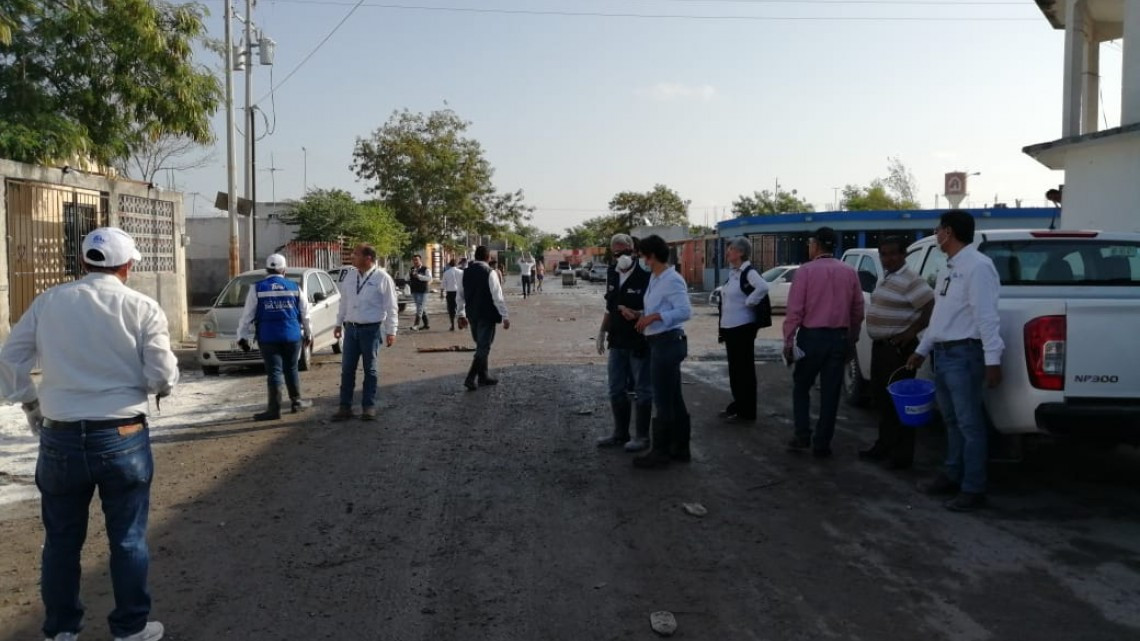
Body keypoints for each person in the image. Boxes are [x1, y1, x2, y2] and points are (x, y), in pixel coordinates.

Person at [0, 226, 177, 641]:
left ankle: (61, 630)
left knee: (61, 541)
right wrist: (158, 387)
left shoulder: (48, 303)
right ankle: (131, 628)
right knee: (128, 539)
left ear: (83, 262)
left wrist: (30, 402)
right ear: (128, 265)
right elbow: (162, 374)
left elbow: (9, 358)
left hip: (60, 437)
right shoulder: (142, 307)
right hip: (123, 433)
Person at [907, 210, 1003, 512]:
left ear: (948, 232)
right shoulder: (950, 268)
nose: (936, 235)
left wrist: (992, 360)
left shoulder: (978, 267)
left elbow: (986, 317)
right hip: (945, 355)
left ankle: (973, 488)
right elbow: (940, 316)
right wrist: (922, 348)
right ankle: (952, 473)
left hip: (966, 355)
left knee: (969, 424)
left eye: (938, 230)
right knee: (951, 421)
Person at [782, 227, 864, 458]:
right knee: (830, 393)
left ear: (816, 245)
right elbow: (857, 309)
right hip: (838, 338)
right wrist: (852, 337)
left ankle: (802, 434)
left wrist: (788, 341)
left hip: (811, 338)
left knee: (801, 387)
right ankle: (822, 443)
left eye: (810, 243)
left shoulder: (805, 272)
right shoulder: (849, 272)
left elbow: (795, 311)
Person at [859, 236, 934, 470]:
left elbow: (930, 307)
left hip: (898, 349)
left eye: (893, 254)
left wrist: (911, 332)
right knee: (882, 400)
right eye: (884, 254)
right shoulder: (887, 278)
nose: (888, 258)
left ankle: (902, 456)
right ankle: (884, 446)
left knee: (898, 402)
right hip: (882, 347)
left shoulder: (912, 280)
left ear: (903, 255)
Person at [628, 235, 692, 469]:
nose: (640, 259)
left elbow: (684, 311)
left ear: (651, 255)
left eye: (642, 254)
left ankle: (661, 451)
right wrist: (639, 315)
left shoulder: (672, 279)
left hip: (668, 342)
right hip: (659, 342)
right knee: (674, 398)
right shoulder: (656, 279)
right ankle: (680, 447)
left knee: (664, 400)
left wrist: (654, 317)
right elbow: (655, 308)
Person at [236, 253, 314, 421]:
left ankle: (274, 409)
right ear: (284, 270)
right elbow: (305, 314)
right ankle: (296, 402)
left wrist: (241, 336)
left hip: (268, 337)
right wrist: (308, 333)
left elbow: (247, 315)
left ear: (267, 270)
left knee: (274, 372)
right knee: (291, 369)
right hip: (292, 336)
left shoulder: (257, 288)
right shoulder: (294, 287)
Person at [595, 234, 653, 452]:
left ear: (634, 250)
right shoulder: (612, 273)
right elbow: (610, 306)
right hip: (617, 340)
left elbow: (657, 304)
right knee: (615, 388)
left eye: (626, 252)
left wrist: (640, 314)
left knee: (643, 389)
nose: (622, 256)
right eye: (617, 253)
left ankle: (642, 437)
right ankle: (620, 434)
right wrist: (602, 331)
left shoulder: (646, 273)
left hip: (640, 339)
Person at [333, 244, 400, 421]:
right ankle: (344, 407)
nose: (352, 258)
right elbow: (344, 302)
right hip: (351, 328)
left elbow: (391, 307)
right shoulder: (350, 276)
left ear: (368, 258)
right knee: (347, 369)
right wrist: (338, 323)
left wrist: (391, 331)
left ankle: (368, 406)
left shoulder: (382, 278)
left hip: (372, 329)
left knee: (370, 369)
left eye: (356, 255)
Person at [718, 236, 771, 424]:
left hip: (742, 328)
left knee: (744, 371)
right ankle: (738, 406)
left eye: (731, 249)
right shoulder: (734, 272)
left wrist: (750, 301)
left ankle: (747, 411)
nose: (727, 252)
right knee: (735, 370)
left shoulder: (748, 271)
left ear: (740, 252)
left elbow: (764, 286)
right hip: (731, 328)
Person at [457, 246, 511, 391]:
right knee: (484, 346)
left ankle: (483, 376)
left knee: (481, 344)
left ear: (475, 256)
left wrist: (461, 314)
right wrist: (505, 316)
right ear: (488, 258)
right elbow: (497, 297)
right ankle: (470, 377)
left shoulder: (465, 273)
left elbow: (460, 296)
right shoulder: (490, 272)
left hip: (472, 314)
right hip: (487, 314)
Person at [408, 254, 432, 330]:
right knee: (421, 307)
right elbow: (407, 278)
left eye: (416, 260)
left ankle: (416, 325)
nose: (415, 262)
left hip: (423, 291)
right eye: (414, 260)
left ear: (420, 260)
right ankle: (426, 324)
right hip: (415, 291)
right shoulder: (412, 269)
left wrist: (419, 276)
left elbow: (429, 278)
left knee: (420, 308)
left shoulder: (425, 269)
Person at [441, 258, 464, 331]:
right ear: (457, 264)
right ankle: (460, 321)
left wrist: (441, 293)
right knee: (460, 308)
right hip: (459, 292)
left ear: (449, 265)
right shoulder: (461, 272)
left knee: (451, 309)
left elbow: (443, 284)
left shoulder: (446, 273)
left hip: (450, 293)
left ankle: (452, 325)